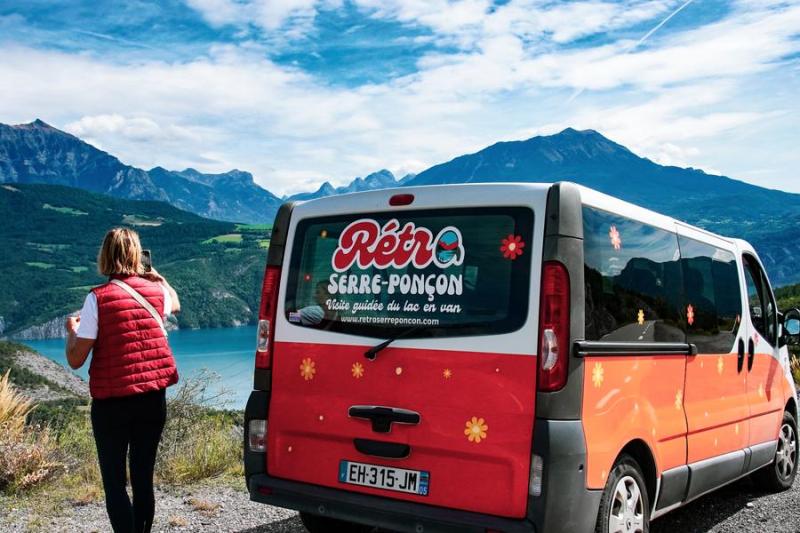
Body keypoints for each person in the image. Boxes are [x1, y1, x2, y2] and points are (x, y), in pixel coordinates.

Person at [65, 228, 180, 533]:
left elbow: (76, 358)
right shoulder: (156, 293)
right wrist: (158, 278)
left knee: (115, 483)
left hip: (112, 405)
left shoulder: (97, 299)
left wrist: (71, 331)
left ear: (105, 255)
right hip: (152, 400)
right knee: (143, 479)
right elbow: (175, 303)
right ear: (135, 256)